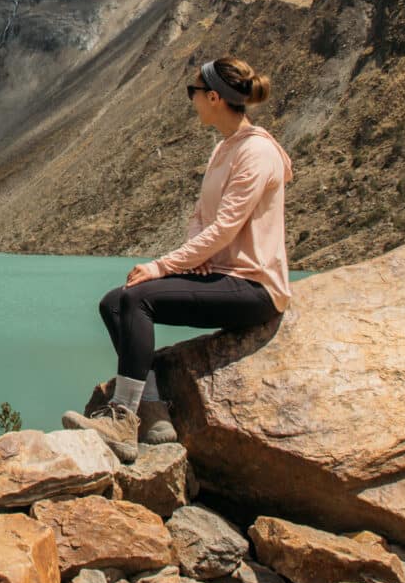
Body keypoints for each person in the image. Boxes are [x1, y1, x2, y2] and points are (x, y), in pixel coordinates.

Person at [63, 55, 292, 463]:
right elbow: (201, 219)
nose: (192, 99)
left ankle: (122, 418)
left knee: (138, 298)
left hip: (254, 286)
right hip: (224, 275)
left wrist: (163, 266)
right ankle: (153, 412)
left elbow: (224, 227)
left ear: (216, 98)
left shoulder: (257, 153)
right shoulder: (224, 150)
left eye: (195, 92)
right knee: (113, 302)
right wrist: (193, 258)